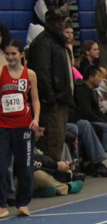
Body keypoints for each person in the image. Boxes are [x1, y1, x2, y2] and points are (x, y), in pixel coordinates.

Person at [26, 9, 74, 161]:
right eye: (56, 20)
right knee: (52, 142)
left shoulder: (58, 42)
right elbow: (41, 74)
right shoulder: (43, 43)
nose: (61, 23)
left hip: (61, 100)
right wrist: (51, 98)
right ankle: (52, 172)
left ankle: (57, 170)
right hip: (52, 104)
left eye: (62, 20)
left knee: (58, 141)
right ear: (48, 22)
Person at [0, 40, 41, 218]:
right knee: (2, 166)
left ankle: (23, 203)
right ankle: (1, 204)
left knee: (25, 166)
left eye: (13, 54)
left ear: (21, 55)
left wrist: (36, 119)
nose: (10, 57)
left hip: (23, 126)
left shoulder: (30, 75)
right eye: (7, 54)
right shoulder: (1, 73)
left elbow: (35, 100)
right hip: (3, 126)